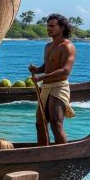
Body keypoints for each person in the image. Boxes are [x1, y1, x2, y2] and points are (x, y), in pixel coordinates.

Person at [30, 13, 77, 145]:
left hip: (59, 87)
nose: (48, 29)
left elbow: (65, 71)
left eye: (52, 26)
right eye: (48, 26)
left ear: (62, 28)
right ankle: (43, 154)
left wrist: (41, 77)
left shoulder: (67, 46)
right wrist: (37, 70)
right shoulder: (48, 46)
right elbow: (48, 65)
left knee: (56, 124)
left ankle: (62, 155)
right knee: (40, 124)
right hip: (45, 88)